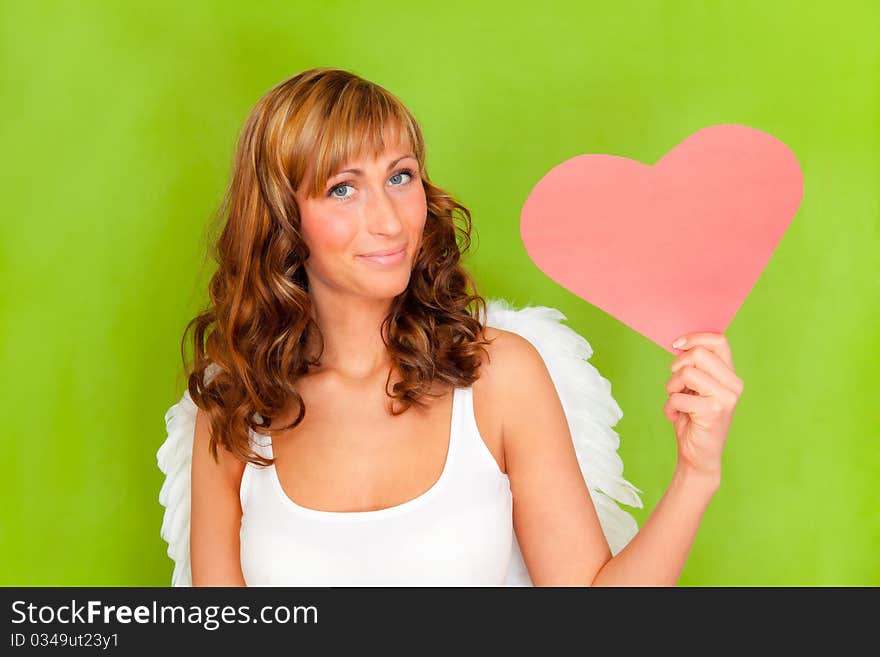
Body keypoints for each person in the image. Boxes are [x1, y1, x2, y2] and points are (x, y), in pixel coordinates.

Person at [168, 67, 743, 587]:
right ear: (282, 220)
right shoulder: (235, 409)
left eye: (400, 176)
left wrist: (696, 475)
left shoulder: (501, 377)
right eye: (343, 188)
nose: (389, 221)